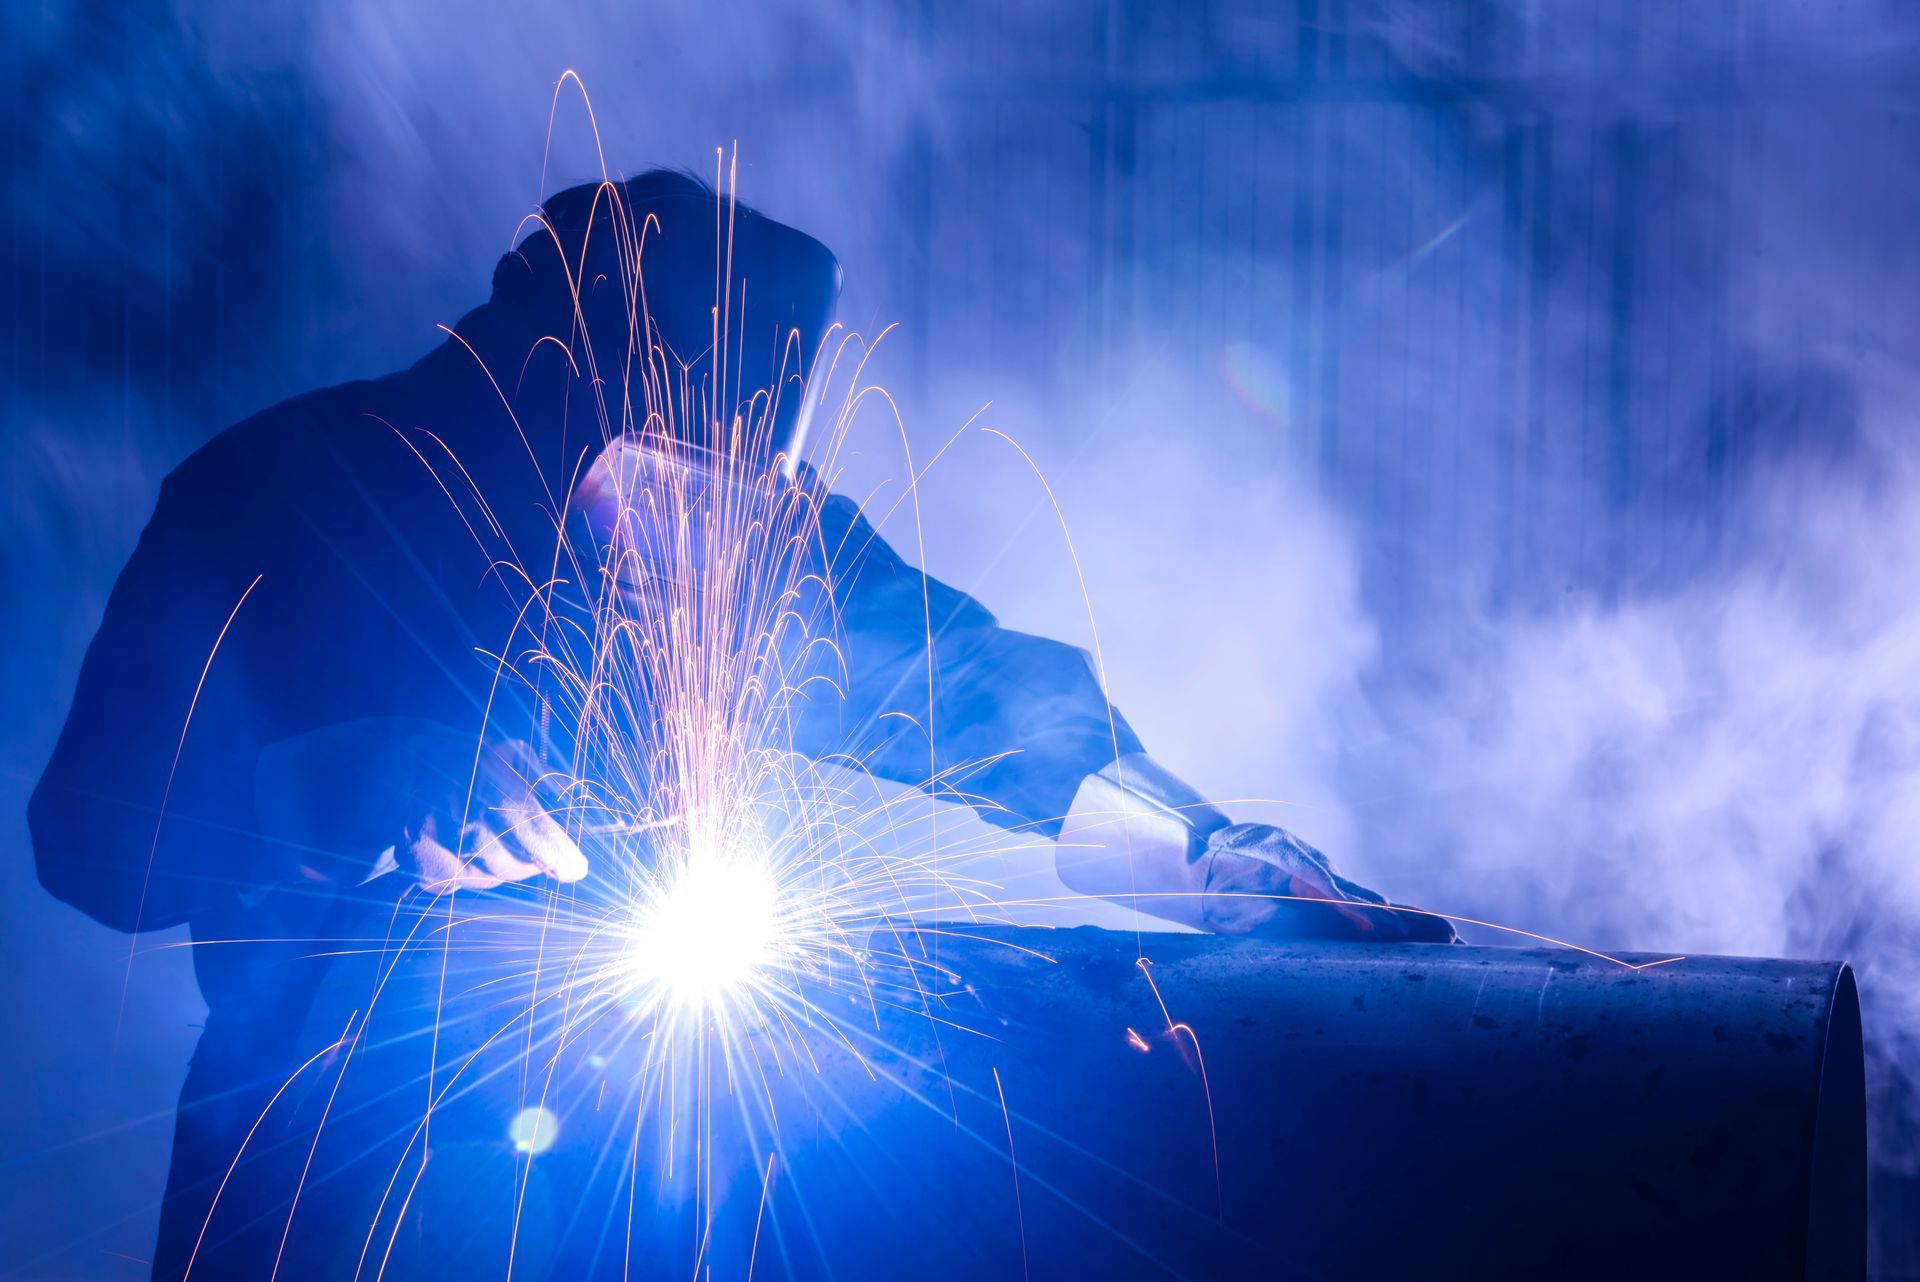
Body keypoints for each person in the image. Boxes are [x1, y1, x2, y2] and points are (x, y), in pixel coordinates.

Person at [29, 169, 1449, 1280]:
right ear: (541, 359)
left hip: (634, 1189)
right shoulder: (270, 494)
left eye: (722, 475)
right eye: (662, 462)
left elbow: (966, 687)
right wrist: (342, 792)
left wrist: (1199, 839)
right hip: (329, 1193)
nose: (683, 522)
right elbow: (87, 836)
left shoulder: (740, 531)